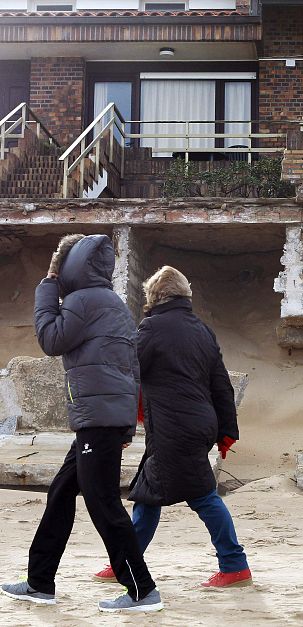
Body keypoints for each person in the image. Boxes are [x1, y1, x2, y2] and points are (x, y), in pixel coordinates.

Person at [0, 234, 163, 613]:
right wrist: (126, 424)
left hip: (98, 418)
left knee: (103, 502)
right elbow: (131, 367)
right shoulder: (112, 302)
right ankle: (40, 582)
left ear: (70, 267)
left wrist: (47, 289)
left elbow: (50, 339)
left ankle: (142, 590)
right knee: (61, 493)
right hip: (104, 417)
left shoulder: (83, 301)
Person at [93, 265, 251, 588]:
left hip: (172, 430)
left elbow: (128, 375)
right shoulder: (202, 331)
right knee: (149, 495)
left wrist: (118, 425)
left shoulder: (151, 329)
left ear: (155, 296)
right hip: (194, 427)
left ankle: (235, 565)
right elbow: (221, 384)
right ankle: (126, 560)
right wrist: (226, 431)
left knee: (202, 497)